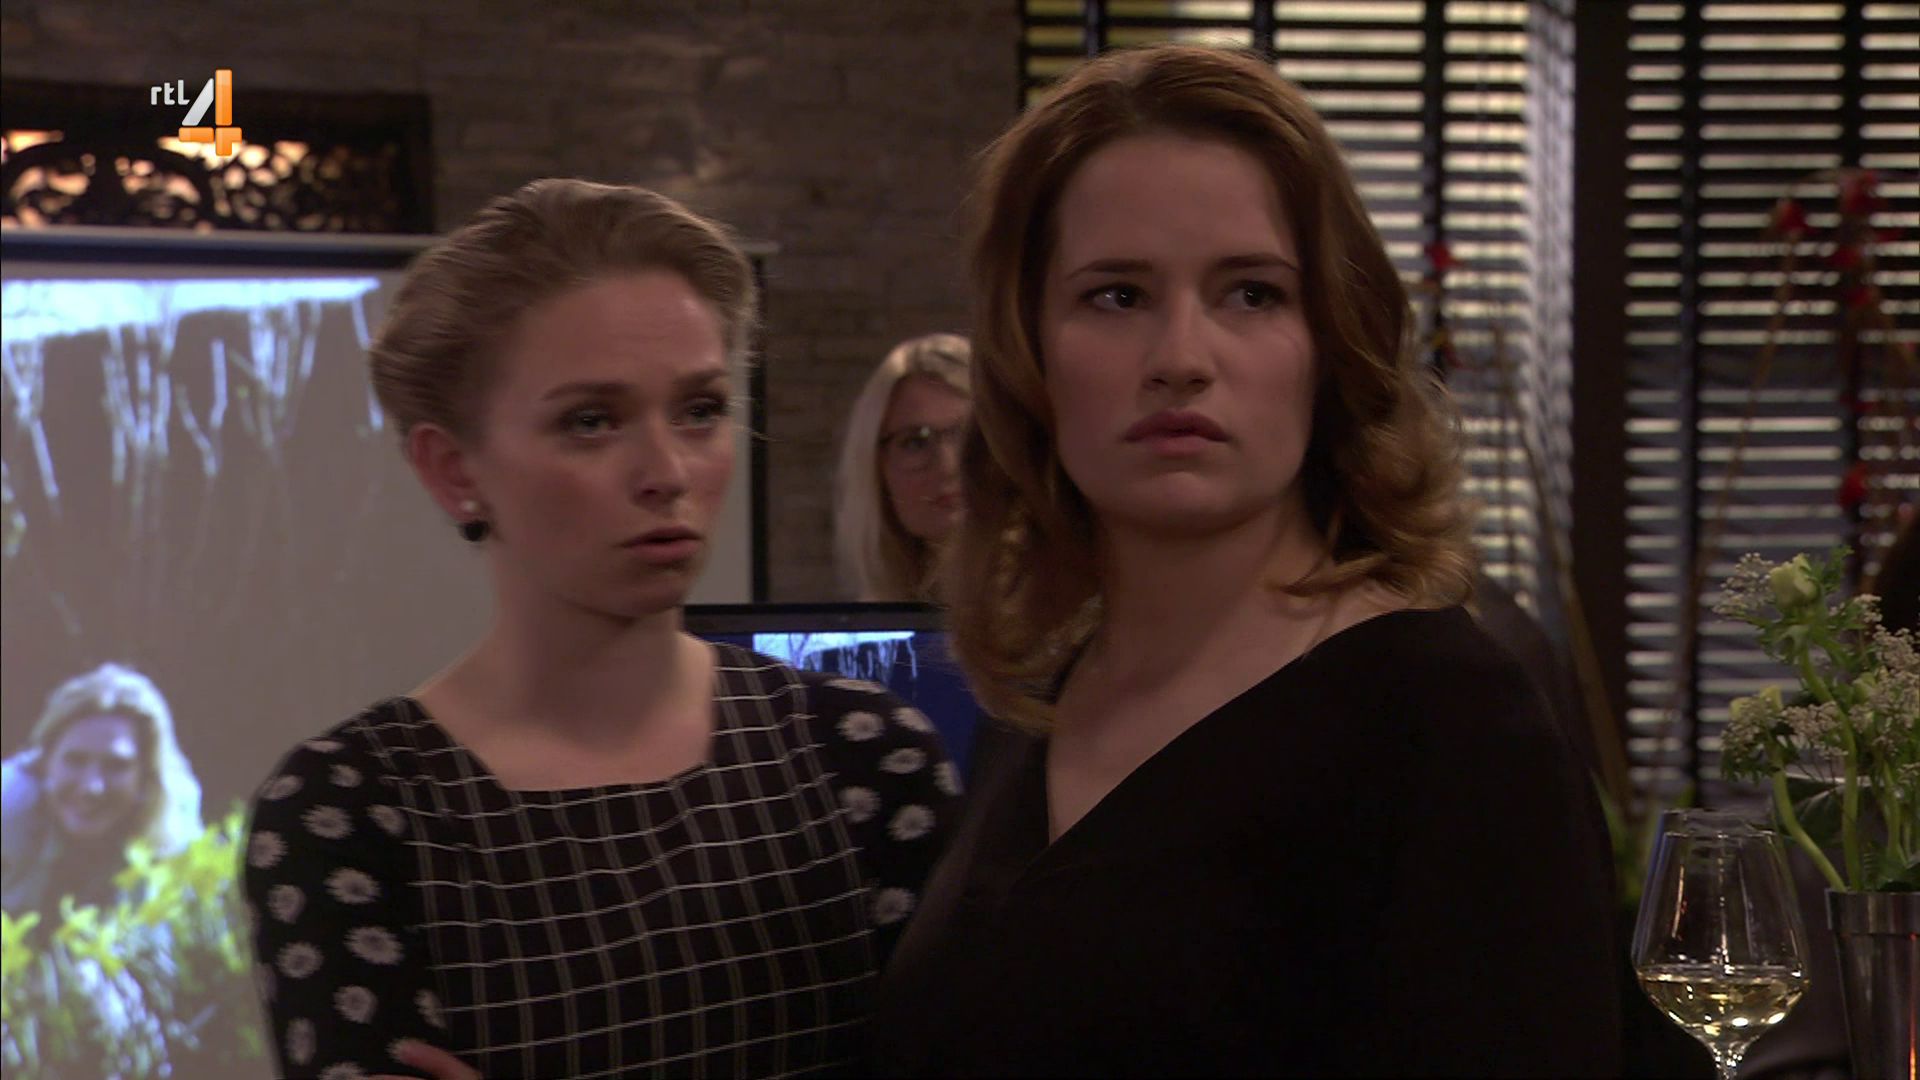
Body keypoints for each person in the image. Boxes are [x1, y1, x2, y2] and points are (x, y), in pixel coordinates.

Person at [872, 44, 1624, 1076]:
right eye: (1117, 296)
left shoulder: (1448, 721)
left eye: (1252, 294)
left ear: (1331, 343)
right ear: (1028, 350)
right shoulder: (1042, 695)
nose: (1182, 358)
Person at [242, 179, 959, 1079]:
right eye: (591, 422)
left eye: (700, 411)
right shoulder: (352, 812)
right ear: (455, 469)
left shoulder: (861, 753)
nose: (667, 471)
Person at [1, 662, 202, 915]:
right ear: (45, 761)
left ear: (146, 775)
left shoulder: (173, 822)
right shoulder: (7, 805)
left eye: (116, 766)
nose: (91, 787)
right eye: (75, 761)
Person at [833, 332, 972, 601]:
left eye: (967, 436)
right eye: (915, 442)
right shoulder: (875, 618)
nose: (948, 466)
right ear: (877, 470)